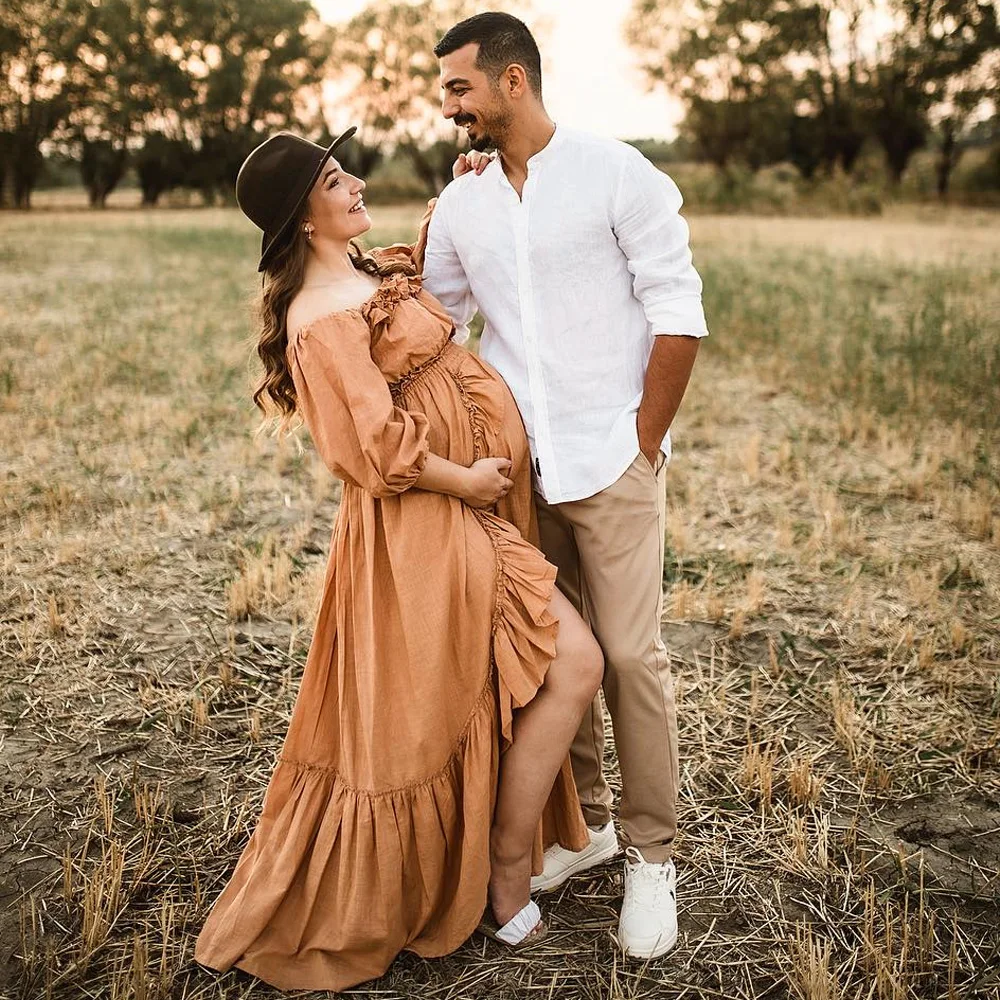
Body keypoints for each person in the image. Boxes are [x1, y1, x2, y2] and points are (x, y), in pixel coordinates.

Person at [192, 126, 604, 992]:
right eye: (336, 180)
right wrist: (466, 476)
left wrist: (456, 198)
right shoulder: (316, 319)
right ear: (303, 217)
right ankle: (496, 869)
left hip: (466, 509)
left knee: (514, 679)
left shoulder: (366, 276)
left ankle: (499, 861)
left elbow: (411, 296)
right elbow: (370, 448)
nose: (354, 185)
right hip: (429, 520)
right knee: (571, 663)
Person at [422, 12, 710, 960]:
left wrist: (645, 439)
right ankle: (578, 831)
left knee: (630, 659)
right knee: (554, 662)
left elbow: (678, 310)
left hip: (612, 459)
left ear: (512, 81)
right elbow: (437, 323)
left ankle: (652, 856)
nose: (448, 105)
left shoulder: (618, 173)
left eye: (460, 87)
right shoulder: (462, 201)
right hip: (520, 471)